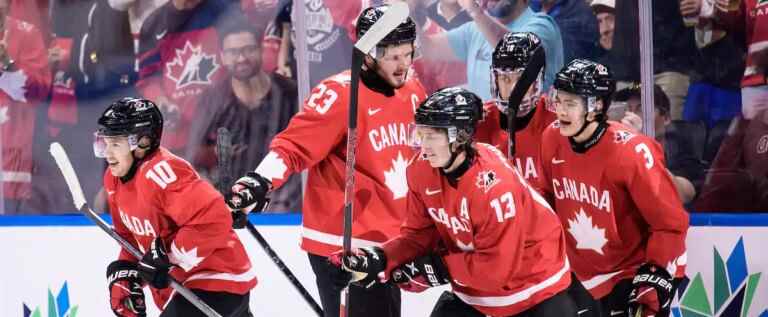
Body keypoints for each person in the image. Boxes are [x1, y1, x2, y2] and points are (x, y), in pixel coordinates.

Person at [225, 4, 427, 317]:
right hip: (340, 243)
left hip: (387, 242)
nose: (403, 65)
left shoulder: (413, 91)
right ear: (370, 54)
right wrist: (259, 182)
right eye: (392, 56)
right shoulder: (340, 95)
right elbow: (293, 146)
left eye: (407, 53)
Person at [331, 87, 576, 317]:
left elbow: (497, 270)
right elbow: (419, 235)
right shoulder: (419, 170)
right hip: (475, 289)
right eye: (421, 134)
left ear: (461, 136)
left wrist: (437, 269)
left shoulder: (494, 186)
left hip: (536, 288)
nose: (424, 147)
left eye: (433, 136)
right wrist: (380, 257)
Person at [538, 59, 689, 317]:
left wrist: (654, 273)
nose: (560, 111)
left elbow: (670, 223)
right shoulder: (552, 138)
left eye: (570, 103)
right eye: (558, 100)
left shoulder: (632, 152)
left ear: (596, 106)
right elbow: (546, 201)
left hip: (630, 271)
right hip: (581, 275)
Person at [99, 97, 256, 317]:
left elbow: (216, 216)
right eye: (105, 143)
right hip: (187, 288)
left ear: (143, 143)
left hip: (216, 279)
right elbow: (131, 239)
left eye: (115, 144)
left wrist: (169, 257)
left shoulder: (161, 172)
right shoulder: (114, 180)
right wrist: (126, 275)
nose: (107, 153)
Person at [186, 19, 301, 212]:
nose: (241, 58)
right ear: (222, 56)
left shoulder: (290, 94)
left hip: (286, 206)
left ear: (261, 50)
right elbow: (193, 158)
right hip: (231, 207)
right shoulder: (212, 100)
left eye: (248, 49)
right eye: (232, 52)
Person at [418, 0, 564, 99]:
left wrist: (475, 11)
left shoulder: (543, 25)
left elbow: (516, 52)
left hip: (527, 134)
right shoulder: (474, 30)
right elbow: (429, 48)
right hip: (485, 134)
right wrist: (411, 14)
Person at [475, 32, 556, 183]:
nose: (513, 89)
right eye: (505, 78)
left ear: (537, 79)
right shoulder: (479, 123)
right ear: (495, 80)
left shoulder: (557, 121)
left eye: (520, 79)